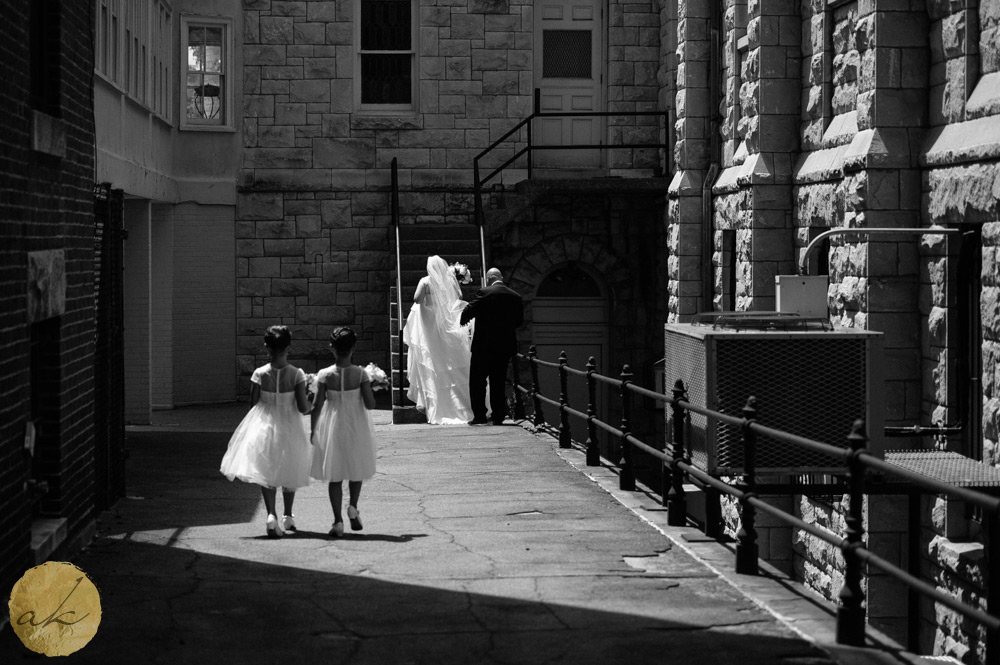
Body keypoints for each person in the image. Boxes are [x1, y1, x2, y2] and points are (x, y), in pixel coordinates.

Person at [220, 325, 313, 538]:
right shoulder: (296, 374)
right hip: (290, 426)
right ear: (289, 347)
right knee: (290, 466)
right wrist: (311, 400)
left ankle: (271, 515)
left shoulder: (259, 374)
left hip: (265, 425)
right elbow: (302, 407)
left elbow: (253, 405)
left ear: (266, 347)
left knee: (268, 469)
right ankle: (288, 516)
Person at [311, 327, 378, 537]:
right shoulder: (360, 374)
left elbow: (316, 406)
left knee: (335, 474)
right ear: (354, 347)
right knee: (356, 467)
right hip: (356, 425)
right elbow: (370, 404)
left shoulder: (324, 375)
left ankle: (337, 521)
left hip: (332, 426)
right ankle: (353, 506)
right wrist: (372, 386)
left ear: (331, 348)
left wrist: (313, 431)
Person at [402, 255, 474, 424]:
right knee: (449, 358)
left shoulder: (426, 281)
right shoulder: (449, 280)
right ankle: (461, 405)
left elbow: (417, 299)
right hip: (446, 323)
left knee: (433, 359)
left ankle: (437, 405)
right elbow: (458, 295)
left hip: (430, 325)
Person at [459, 267, 523, 425]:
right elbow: (519, 321)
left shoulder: (485, 292)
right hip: (504, 346)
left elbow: (469, 310)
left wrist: (463, 320)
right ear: (501, 277)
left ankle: (480, 415)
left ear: (488, 279)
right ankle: (498, 416)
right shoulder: (516, 296)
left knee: (478, 381)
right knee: (498, 381)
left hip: (484, 345)